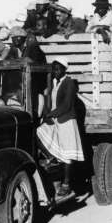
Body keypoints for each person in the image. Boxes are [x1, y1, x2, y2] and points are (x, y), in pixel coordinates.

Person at [36, 57, 84, 197]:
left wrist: (51, 114)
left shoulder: (69, 83)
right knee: (39, 131)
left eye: (58, 69)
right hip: (57, 120)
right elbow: (51, 100)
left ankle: (66, 184)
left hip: (67, 122)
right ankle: (52, 157)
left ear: (64, 69)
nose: (55, 71)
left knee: (68, 155)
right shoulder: (55, 83)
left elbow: (67, 105)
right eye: (54, 69)